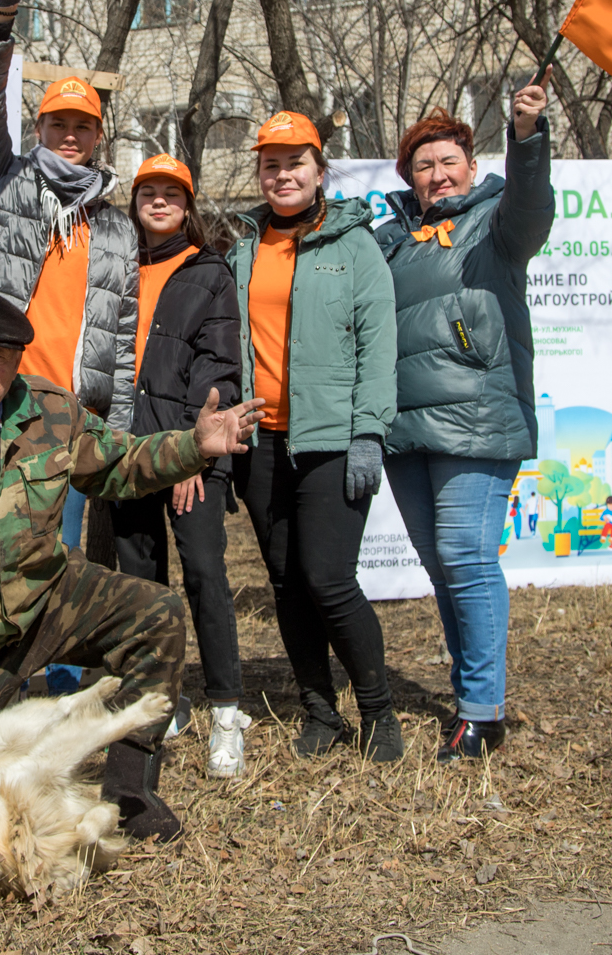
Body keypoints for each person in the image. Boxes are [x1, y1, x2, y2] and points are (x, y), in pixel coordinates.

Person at [0, 292, 265, 840]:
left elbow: (121, 465)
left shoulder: (51, 412)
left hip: (44, 604)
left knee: (157, 613)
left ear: (17, 362)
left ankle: (130, 791)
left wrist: (194, 447)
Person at [0, 0, 139, 689]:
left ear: (97, 136)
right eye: (57, 121)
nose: (69, 133)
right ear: (39, 125)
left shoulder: (116, 229)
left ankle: (51, 700)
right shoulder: (3, 180)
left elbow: (118, 348)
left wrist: (114, 437)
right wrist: (1, 26)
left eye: (82, 125)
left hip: (61, 424)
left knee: (50, 573)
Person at [373, 83, 552, 764]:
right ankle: (470, 693)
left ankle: (483, 711)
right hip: (406, 428)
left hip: (476, 416)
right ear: (409, 179)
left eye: (449, 160)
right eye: (424, 165)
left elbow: (533, 205)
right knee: (442, 565)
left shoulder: (496, 225)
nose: (438, 173)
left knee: (467, 556)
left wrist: (528, 135)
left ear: (471, 167)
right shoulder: (390, 242)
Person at [225, 112, 400, 761]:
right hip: (262, 445)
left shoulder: (355, 247)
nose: (282, 174)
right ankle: (319, 710)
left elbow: (380, 348)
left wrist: (369, 434)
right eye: (271, 164)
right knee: (286, 583)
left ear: (320, 171)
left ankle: (379, 710)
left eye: (295, 162)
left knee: (328, 577)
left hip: (331, 441)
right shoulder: (245, 246)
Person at [105, 153, 250, 778]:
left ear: (187, 206)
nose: (159, 202)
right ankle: (164, 700)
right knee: (140, 584)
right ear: (135, 202)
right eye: (148, 193)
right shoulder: (115, 268)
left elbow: (217, 365)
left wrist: (193, 449)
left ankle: (226, 711)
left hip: (190, 450)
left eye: (172, 193)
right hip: (127, 453)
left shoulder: (208, 272)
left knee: (203, 575)